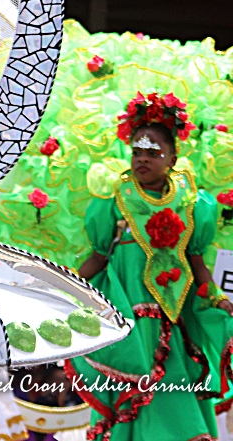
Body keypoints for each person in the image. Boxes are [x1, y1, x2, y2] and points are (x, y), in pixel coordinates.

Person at [68, 92, 233, 440]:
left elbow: (196, 262)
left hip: (176, 318)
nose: (142, 160)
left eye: (153, 153)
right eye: (137, 152)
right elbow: (99, 258)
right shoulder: (114, 202)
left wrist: (216, 298)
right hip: (129, 319)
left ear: (173, 157)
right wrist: (65, 287)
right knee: (134, 390)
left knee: (173, 387)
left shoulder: (192, 203)